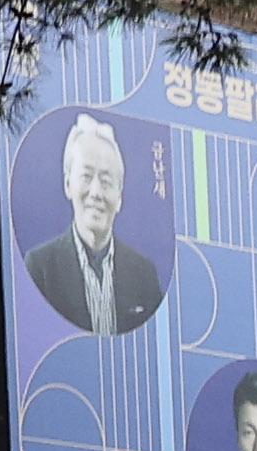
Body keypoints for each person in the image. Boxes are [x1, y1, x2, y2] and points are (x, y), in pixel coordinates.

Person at [20, 115, 165, 338]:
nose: (96, 193)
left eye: (106, 181)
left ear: (119, 196)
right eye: (86, 177)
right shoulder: (41, 267)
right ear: (68, 184)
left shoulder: (144, 274)